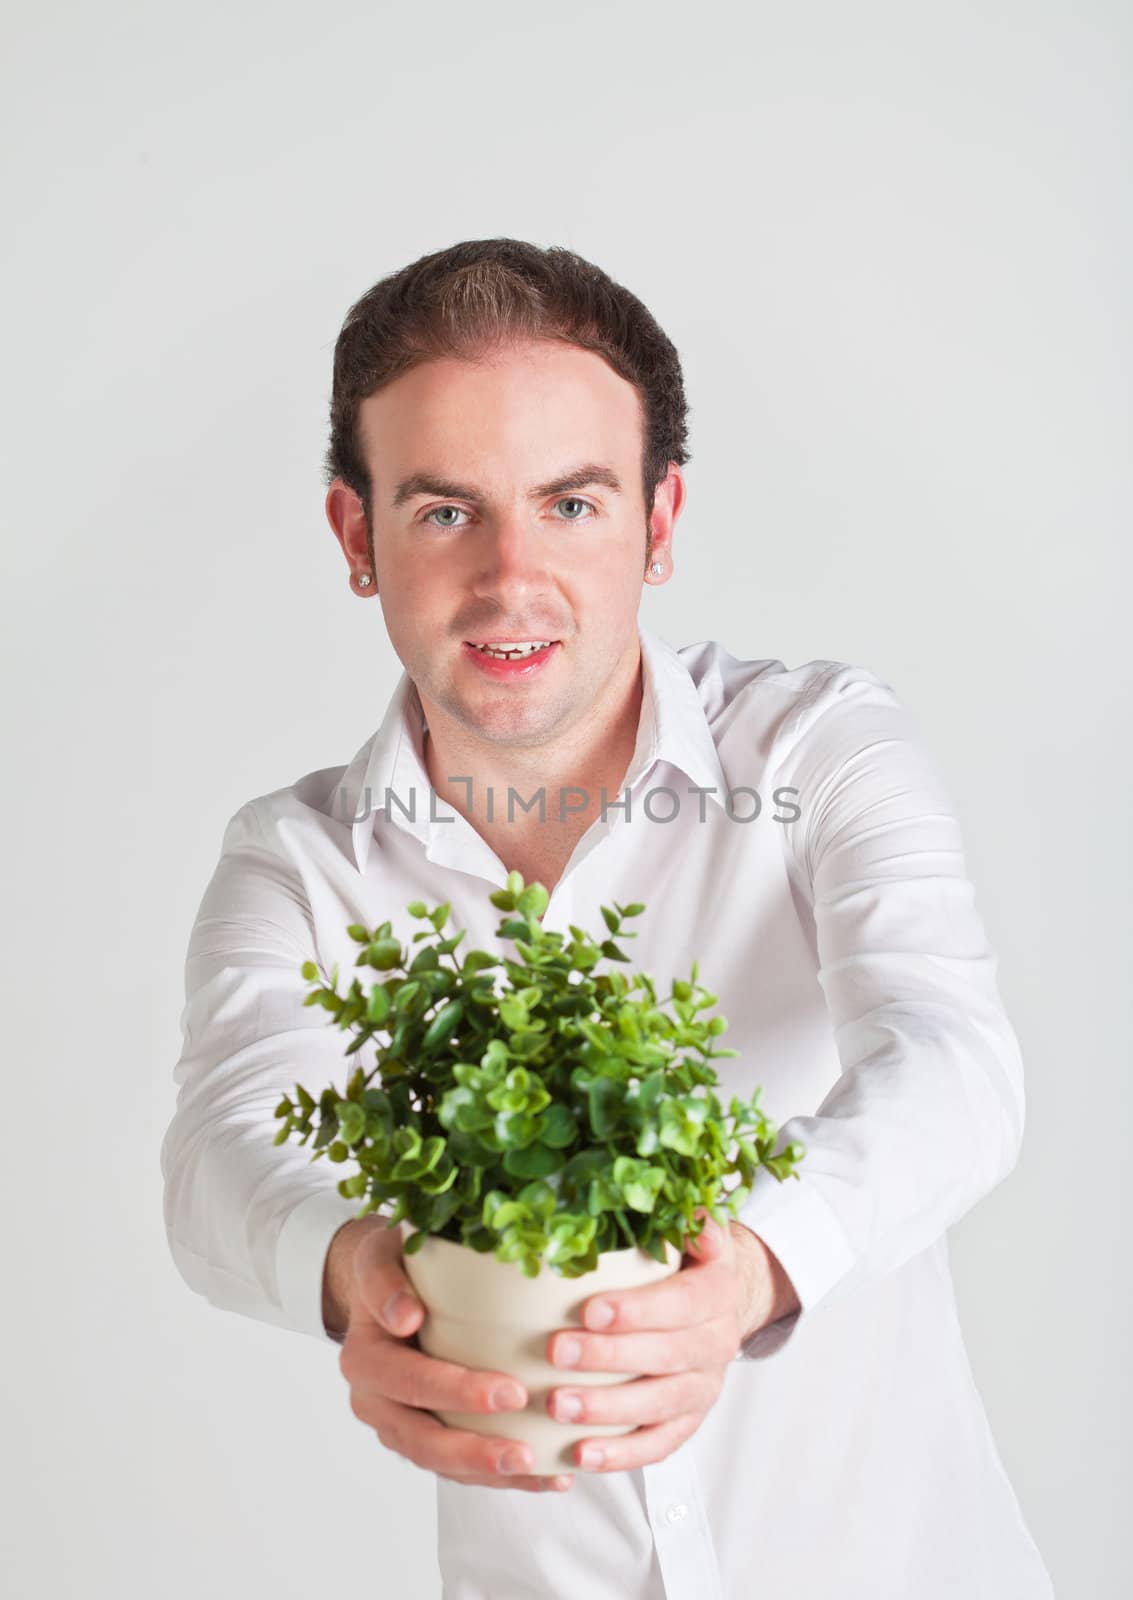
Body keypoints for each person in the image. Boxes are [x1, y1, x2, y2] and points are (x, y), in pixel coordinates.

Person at [161, 238, 1055, 1598]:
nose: (511, 580)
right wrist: (356, 1279)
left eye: (570, 505)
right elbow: (218, 1161)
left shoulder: (816, 750)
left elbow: (953, 1062)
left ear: (659, 518)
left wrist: (752, 1268)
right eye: (446, 511)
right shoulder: (299, 862)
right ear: (359, 537)